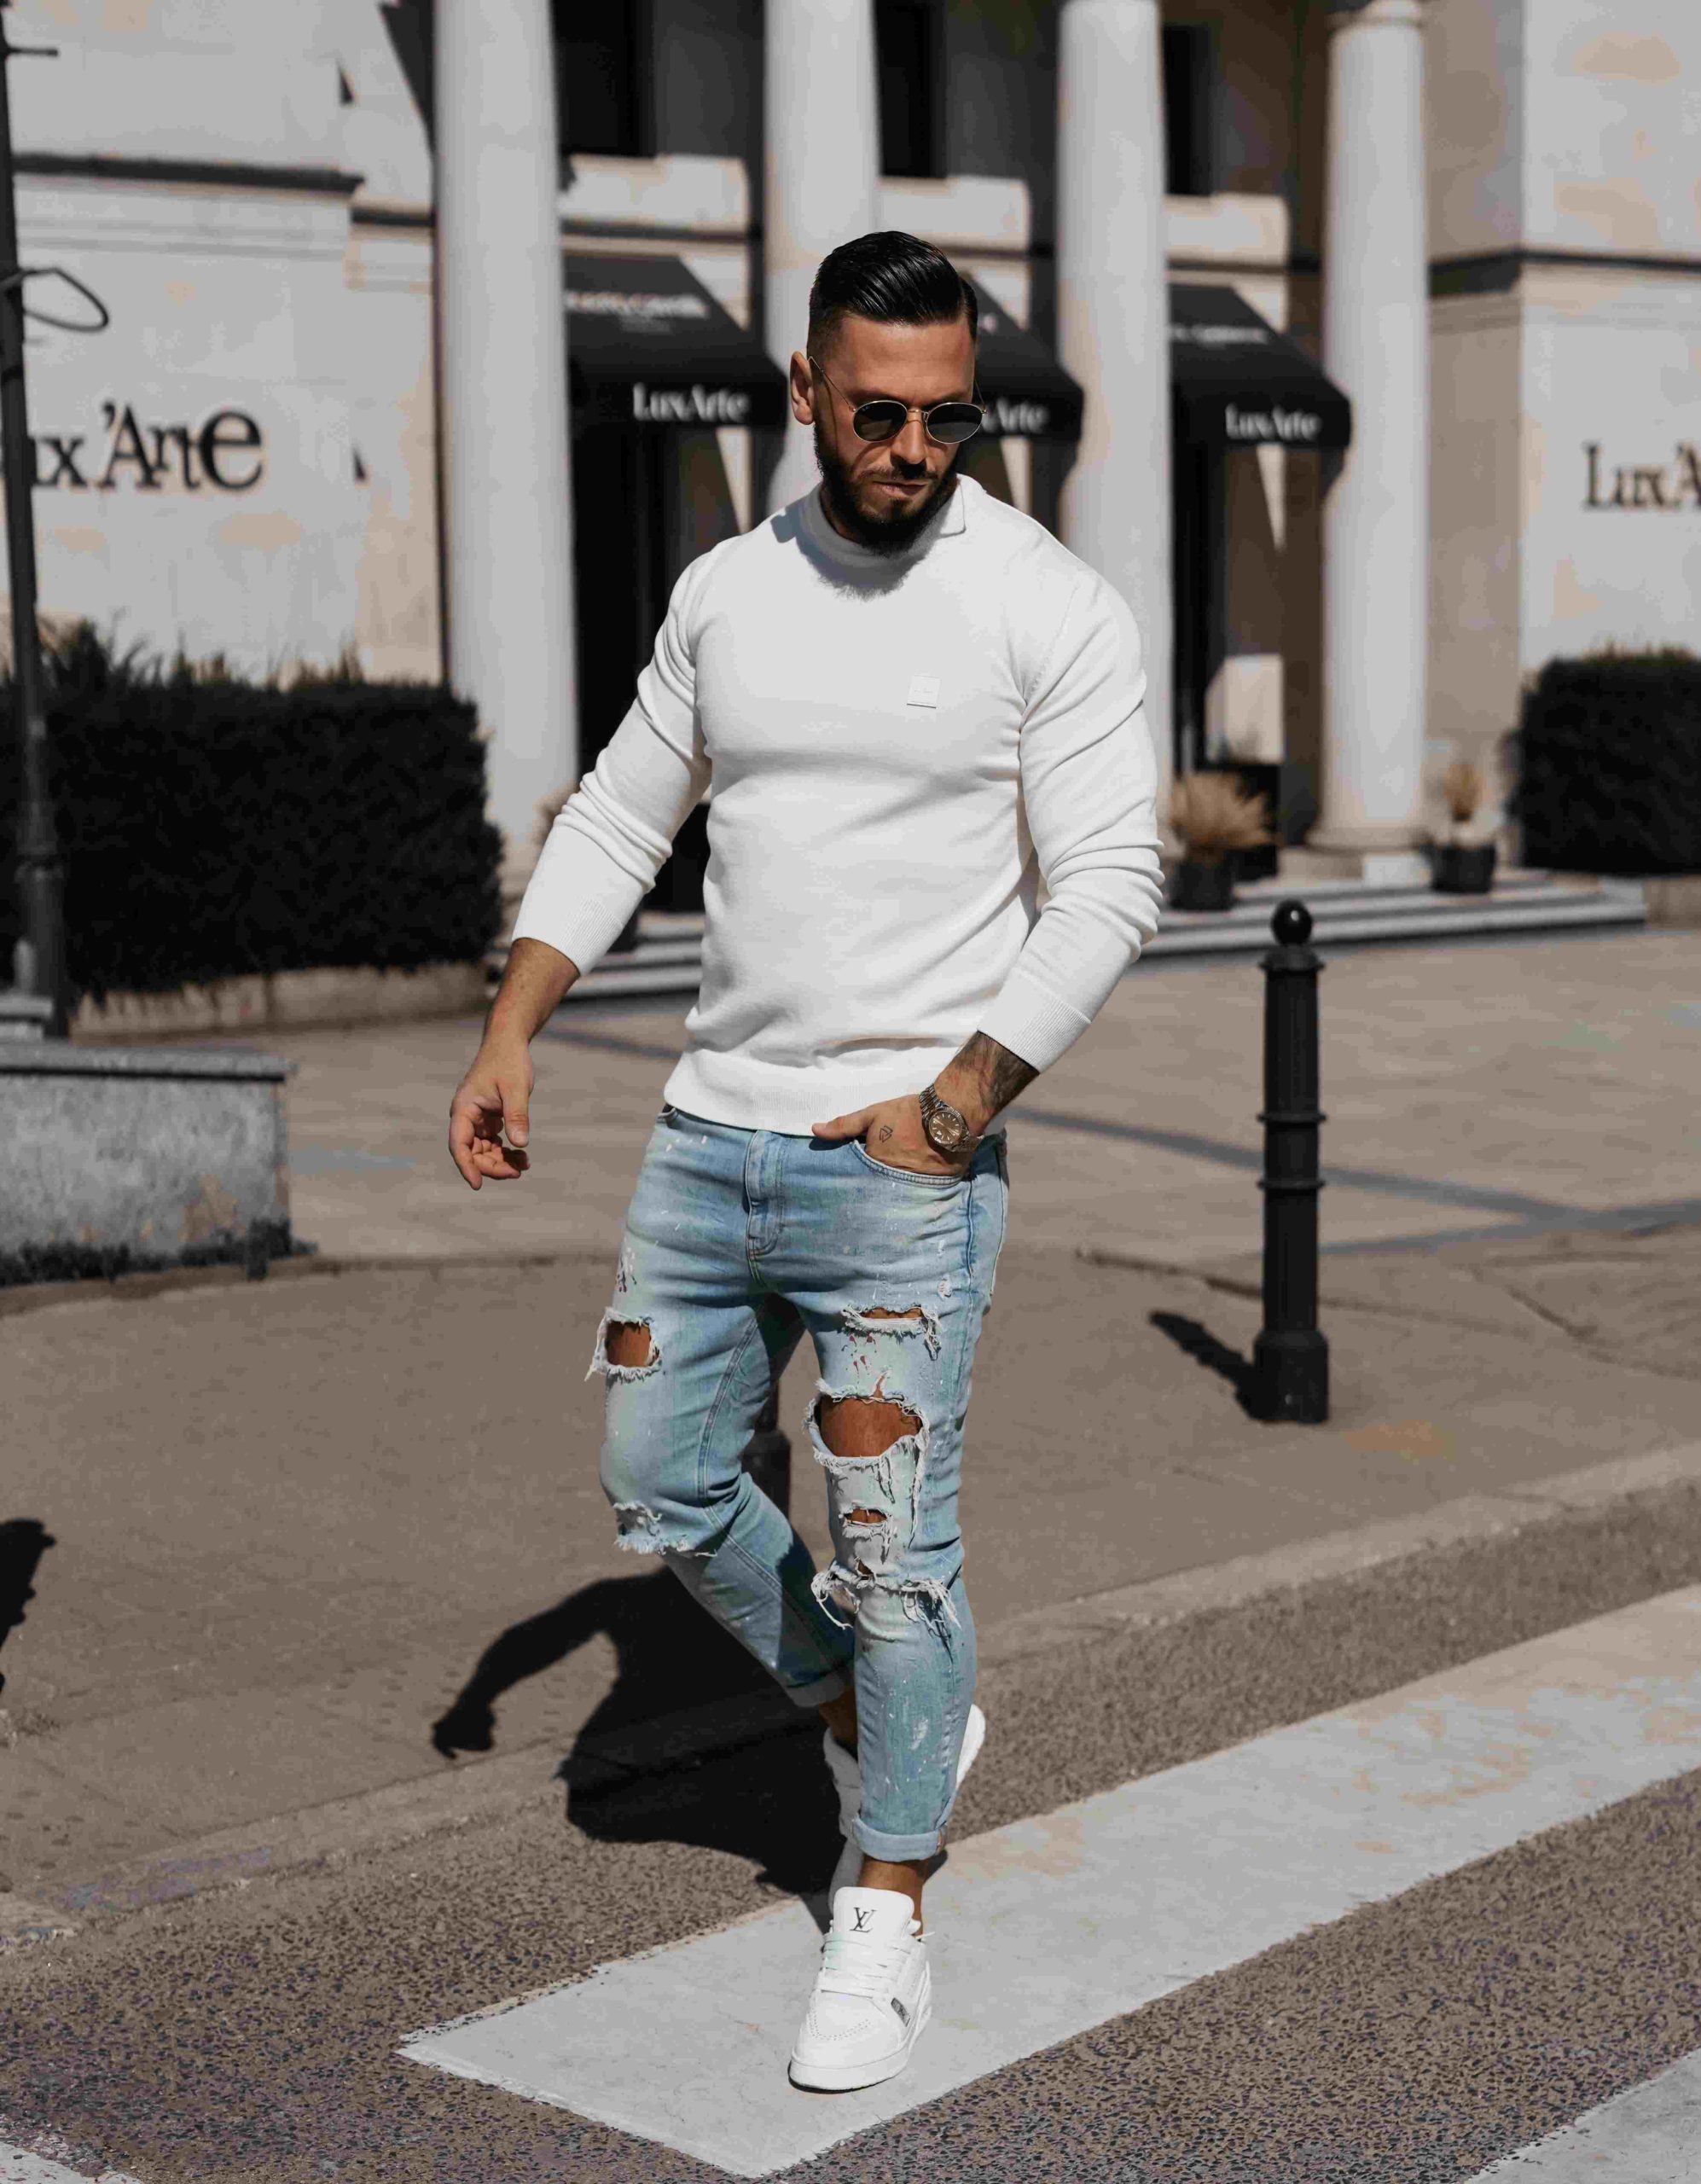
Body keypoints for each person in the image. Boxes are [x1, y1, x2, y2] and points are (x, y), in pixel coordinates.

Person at [447, 229, 1163, 2093]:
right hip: (710, 1138)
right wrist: (516, 1021)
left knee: (894, 1554)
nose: (912, 447)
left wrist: (956, 1105)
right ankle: (876, 1713)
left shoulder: (1048, 605)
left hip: (900, 1173)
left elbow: (1110, 882)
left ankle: (889, 1895)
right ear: (804, 393)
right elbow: (624, 810)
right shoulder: (727, 591)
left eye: (946, 416)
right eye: (876, 412)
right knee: (659, 1477)